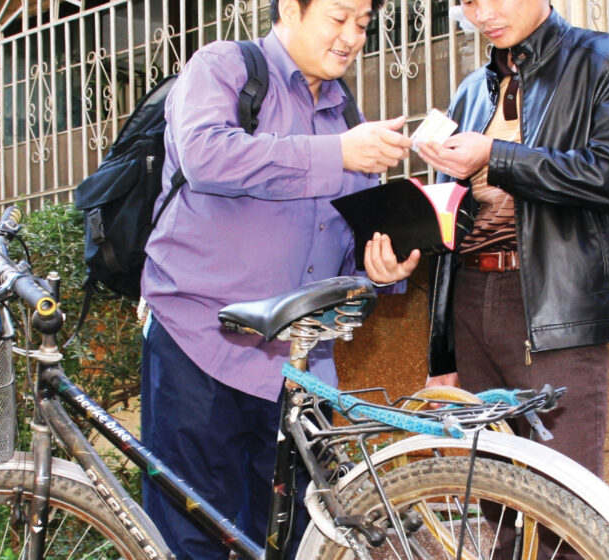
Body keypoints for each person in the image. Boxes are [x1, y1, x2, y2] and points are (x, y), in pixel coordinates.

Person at [138, 0, 411, 558]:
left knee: (295, 535)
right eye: (339, 17)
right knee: (193, 529)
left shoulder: (344, 112)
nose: (352, 36)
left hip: (302, 359)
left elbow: (346, 235)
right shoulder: (225, 66)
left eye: (362, 23)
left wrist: (379, 269)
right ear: (291, 8)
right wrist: (337, 154)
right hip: (200, 335)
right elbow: (205, 154)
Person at [366, 0, 609, 478]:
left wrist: (496, 156)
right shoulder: (471, 92)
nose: (484, 14)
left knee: (565, 497)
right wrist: (404, 252)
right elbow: (453, 221)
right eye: (469, 2)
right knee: (494, 497)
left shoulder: (607, 59)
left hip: (554, 304)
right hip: (472, 302)